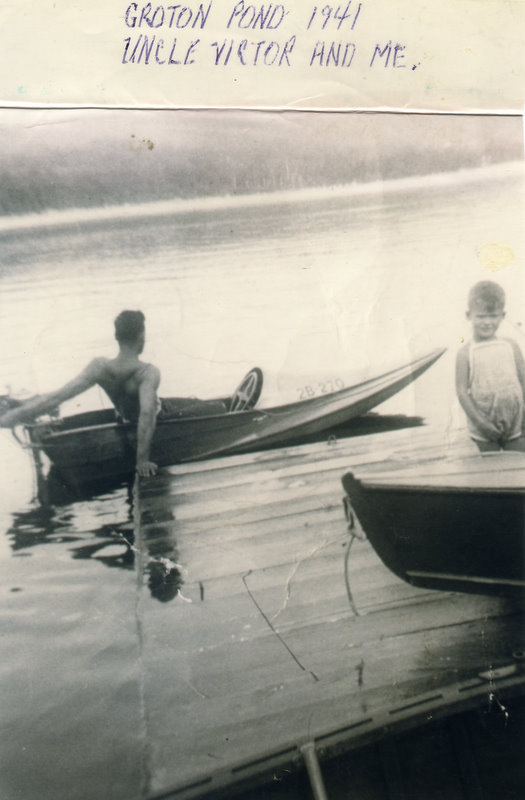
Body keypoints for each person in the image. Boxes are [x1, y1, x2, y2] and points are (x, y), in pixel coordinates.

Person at [0, 310, 161, 476]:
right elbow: (147, 413)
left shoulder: (100, 367)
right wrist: (142, 460)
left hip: (127, 417)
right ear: (141, 336)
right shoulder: (148, 373)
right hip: (158, 415)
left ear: (116, 337)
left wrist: (12, 417)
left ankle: (13, 410)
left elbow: (58, 397)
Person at [456, 281, 525, 452]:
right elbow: (462, 392)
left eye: (493, 316)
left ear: (502, 315)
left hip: (515, 424)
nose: (487, 322)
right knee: (489, 470)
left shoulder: (511, 346)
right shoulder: (465, 353)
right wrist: (481, 423)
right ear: (468, 315)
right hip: (483, 428)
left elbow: (523, 381)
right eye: (481, 316)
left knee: (516, 470)